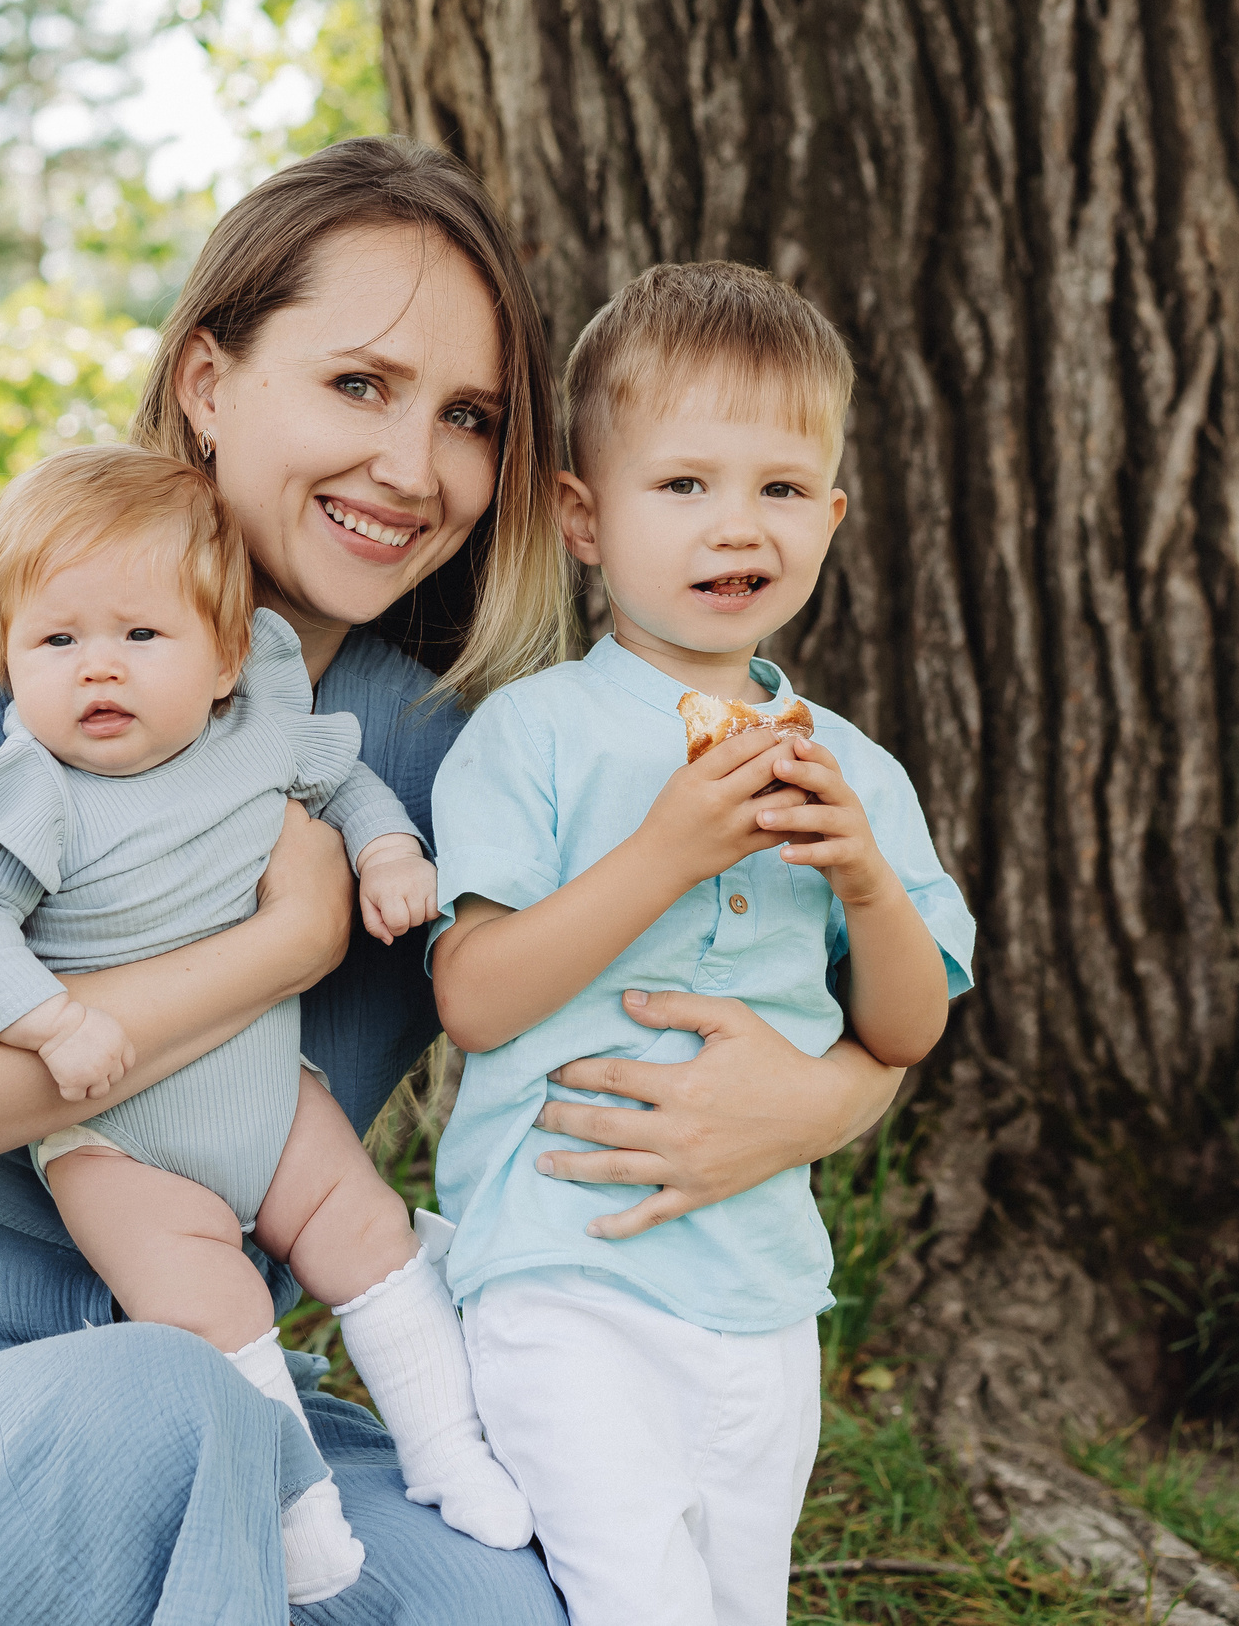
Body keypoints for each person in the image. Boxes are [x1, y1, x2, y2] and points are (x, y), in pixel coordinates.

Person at [0, 137, 915, 1626]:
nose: (411, 465)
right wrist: (284, 942)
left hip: (243, 1404)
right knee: (148, 1410)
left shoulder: (445, 756)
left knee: (511, 1607)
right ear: (209, 381)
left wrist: (835, 1094)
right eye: (358, 384)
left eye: (468, 417)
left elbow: (671, 976)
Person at [428, 262, 978, 1625]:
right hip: (565, 1269)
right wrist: (667, 849)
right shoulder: (534, 735)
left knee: (741, 1597)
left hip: (763, 1290)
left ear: (832, 516)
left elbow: (906, 1027)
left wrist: (864, 882)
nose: (739, 523)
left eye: (782, 488)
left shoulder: (851, 770)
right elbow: (475, 997)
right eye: (683, 485)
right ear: (585, 517)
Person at [0, 446, 526, 1603]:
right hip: (117, 1139)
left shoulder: (254, 734)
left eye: (143, 638)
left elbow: (343, 786)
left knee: (366, 1231)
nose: (100, 667)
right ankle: (286, 1503)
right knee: (207, 1303)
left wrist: (388, 851)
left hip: (264, 1091)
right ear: (9, 661)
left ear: (227, 655)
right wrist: (44, 1020)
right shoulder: (31, 791)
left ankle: (448, 1448)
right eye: (57, 642)